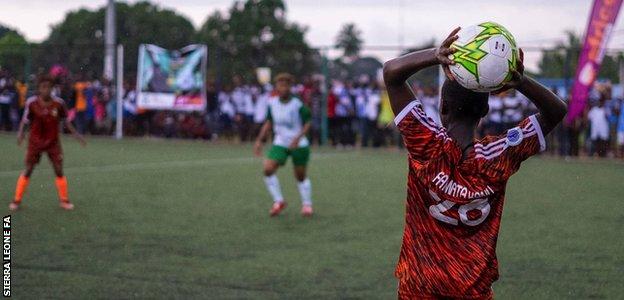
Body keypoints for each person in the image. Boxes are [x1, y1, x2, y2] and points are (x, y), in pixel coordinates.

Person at [383, 27, 567, 299]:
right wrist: (519, 81)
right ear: (485, 111)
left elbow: (391, 73)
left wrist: (437, 55)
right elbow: (557, 111)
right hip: (472, 292)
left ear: (442, 106)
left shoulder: (426, 143)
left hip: (418, 287)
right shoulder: (501, 154)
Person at [10, 75, 86, 211]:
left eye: (49, 87)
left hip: (53, 142)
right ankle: (16, 200)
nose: (46, 90)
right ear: (39, 89)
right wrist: (21, 133)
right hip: (35, 142)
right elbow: (25, 121)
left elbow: (66, 121)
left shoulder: (59, 104)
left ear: (52, 88)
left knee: (59, 169)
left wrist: (76, 135)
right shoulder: (32, 103)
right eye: (43, 87)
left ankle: (64, 200)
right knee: (28, 170)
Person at [254, 73, 313, 217]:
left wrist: (298, 138)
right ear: (276, 87)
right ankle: (278, 201)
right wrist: (259, 140)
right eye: (280, 85)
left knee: (300, 176)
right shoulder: (272, 103)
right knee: (268, 169)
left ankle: (307, 204)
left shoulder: (297, 104)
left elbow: (308, 123)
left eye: (286, 85)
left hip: (299, 144)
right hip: (280, 142)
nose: (283, 88)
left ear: (290, 87)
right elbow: (269, 122)